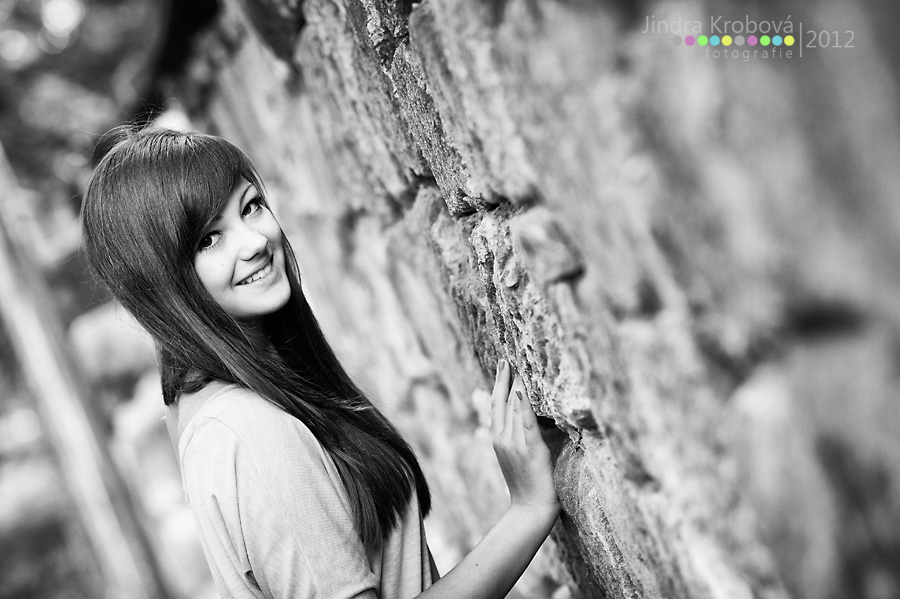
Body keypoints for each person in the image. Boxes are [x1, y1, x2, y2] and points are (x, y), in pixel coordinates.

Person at [81, 124, 560, 599]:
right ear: (160, 282)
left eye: (250, 207)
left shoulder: (198, 407)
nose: (254, 242)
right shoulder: (251, 431)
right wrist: (527, 510)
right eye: (209, 239)